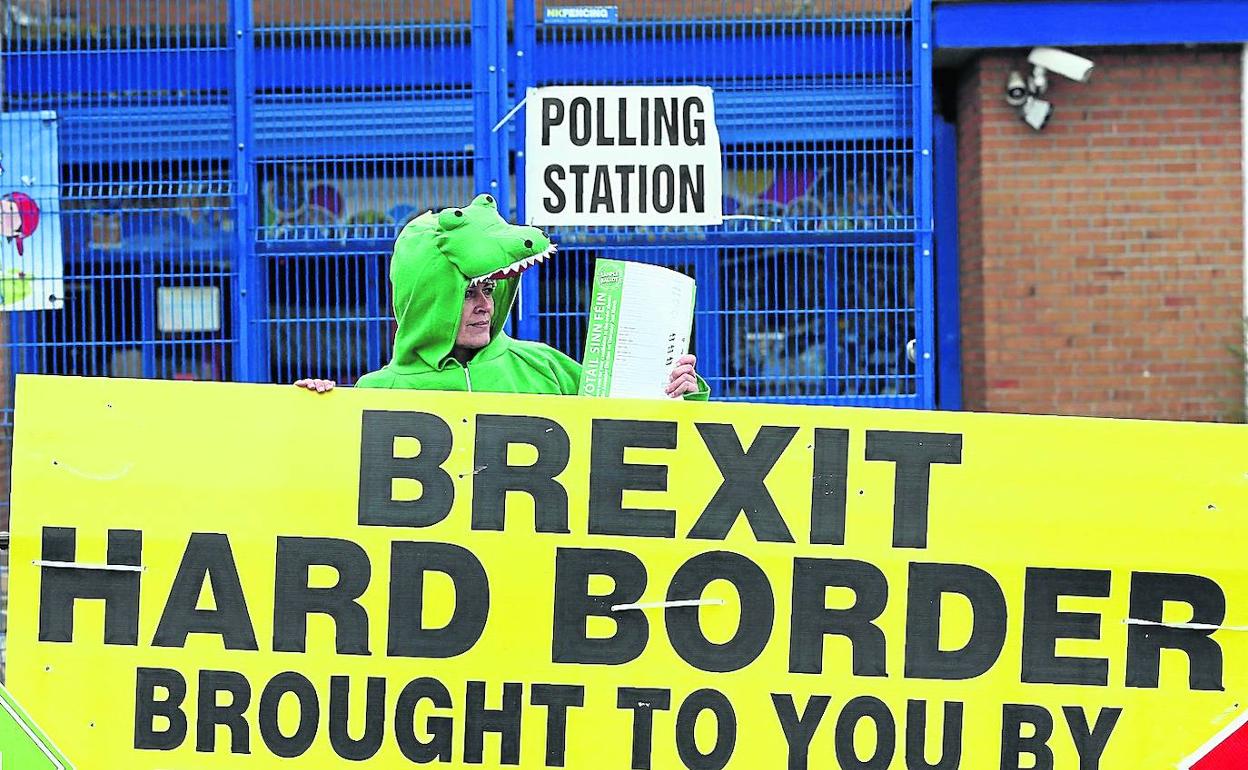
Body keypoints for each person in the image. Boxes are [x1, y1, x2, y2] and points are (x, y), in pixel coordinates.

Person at [296, 193, 706, 398]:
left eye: (490, 288)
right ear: (426, 297)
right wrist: (316, 415)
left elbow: (636, 444)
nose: (485, 305)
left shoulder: (546, 368)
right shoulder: (376, 392)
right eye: (467, 291)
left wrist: (678, 398)